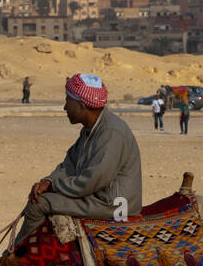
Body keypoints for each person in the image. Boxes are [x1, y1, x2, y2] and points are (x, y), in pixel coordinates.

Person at [13, 73, 142, 245]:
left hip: (112, 204)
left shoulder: (111, 132)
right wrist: (48, 181)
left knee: (38, 205)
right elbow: (70, 164)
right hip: (97, 196)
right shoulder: (91, 129)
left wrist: (55, 186)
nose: (65, 107)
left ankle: (16, 259)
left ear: (81, 105)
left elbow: (93, 179)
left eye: (68, 101)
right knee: (42, 196)